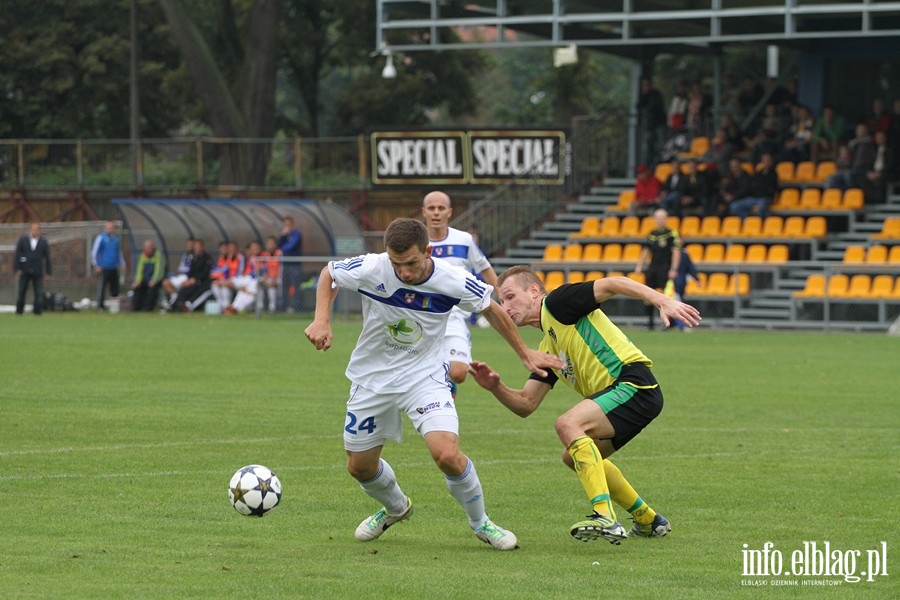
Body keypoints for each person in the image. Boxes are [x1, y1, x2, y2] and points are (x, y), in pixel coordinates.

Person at [303, 218, 562, 551]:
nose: (405, 272)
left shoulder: (451, 279)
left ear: (427, 251)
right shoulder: (372, 267)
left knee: (446, 454)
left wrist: (524, 352)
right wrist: (321, 318)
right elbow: (329, 273)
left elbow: (492, 308)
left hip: (424, 377)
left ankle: (482, 523)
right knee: (359, 466)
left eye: (411, 263)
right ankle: (396, 508)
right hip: (371, 379)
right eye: (397, 264)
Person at [468, 266, 701, 544]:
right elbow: (526, 404)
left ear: (533, 291)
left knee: (568, 424)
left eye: (509, 297)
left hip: (633, 382)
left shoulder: (557, 303)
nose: (505, 307)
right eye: (501, 301)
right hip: (630, 396)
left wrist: (662, 299)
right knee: (572, 457)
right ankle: (648, 519)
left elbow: (614, 283)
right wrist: (496, 387)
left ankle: (604, 515)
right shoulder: (547, 347)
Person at [421, 191, 499, 398]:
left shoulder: (464, 240)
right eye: (431, 208)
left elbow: (485, 269)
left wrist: (505, 298)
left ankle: (444, 377)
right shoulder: (416, 241)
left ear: (449, 212)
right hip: (421, 315)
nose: (436, 213)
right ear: (424, 212)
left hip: (454, 316)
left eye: (441, 208)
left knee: (459, 373)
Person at [635, 208, 681, 330]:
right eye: (658, 218)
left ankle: (668, 323)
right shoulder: (651, 234)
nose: (660, 220)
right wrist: (639, 265)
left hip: (665, 267)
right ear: (654, 219)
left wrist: (674, 268)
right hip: (653, 266)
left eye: (662, 218)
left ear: (666, 219)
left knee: (666, 294)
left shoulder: (672, 233)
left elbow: (676, 252)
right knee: (648, 293)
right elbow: (645, 251)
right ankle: (650, 322)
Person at [14, 222, 52, 315]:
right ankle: (19, 311)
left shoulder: (43, 242)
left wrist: (48, 272)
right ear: (30, 230)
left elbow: (47, 257)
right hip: (24, 270)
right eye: (33, 229)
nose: (35, 231)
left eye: (37, 229)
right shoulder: (23, 240)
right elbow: (17, 254)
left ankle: (37, 311)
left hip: (37, 271)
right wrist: (17, 268)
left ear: (39, 231)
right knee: (22, 291)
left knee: (38, 293)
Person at [729, 152, 778, 220]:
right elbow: (753, 184)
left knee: (762, 207)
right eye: (764, 161)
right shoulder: (758, 173)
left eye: (768, 161)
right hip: (754, 197)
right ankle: (747, 221)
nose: (766, 163)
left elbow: (768, 187)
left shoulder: (773, 174)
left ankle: (759, 223)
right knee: (734, 206)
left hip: (764, 197)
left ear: (771, 162)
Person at [171, 238, 214, 312]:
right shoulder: (193, 258)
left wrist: (195, 279)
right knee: (184, 289)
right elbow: (190, 271)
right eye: (196, 246)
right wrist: (189, 280)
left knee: (198, 290)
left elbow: (205, 272)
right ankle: (174, 305)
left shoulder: (207, 258)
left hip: (202, 281)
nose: (197, 248)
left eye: (198, 246)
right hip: (192, 280)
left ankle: (188, 306)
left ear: (202, 246)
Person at [91, 221, 125, 311]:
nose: (110, 230)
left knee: (115, 287)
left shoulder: (116, 239)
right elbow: (95, 252)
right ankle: (100, 306)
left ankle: (114, 308)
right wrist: (96, 265)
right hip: (104, 267)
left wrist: (122, 264)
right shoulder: (101, 238)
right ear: (106, 228)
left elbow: (118, 252)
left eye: (112, 228)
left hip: (114, 267)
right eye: (109, 228)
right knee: (102, 287)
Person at [224, 241, 262, 315]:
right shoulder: (250, 259)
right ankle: (233, 307)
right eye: (253, 248)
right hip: (249, 278)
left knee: (250, 291)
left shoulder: (264, 257)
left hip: (258, 279)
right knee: (241, 288)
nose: (254, 250)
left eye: (256, 248)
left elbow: (261, 271)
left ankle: (237, 308)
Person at [636, 78, 667, 167]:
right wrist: (644, 95)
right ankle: (648, 165)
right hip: (650, 125)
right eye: (644, 86)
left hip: (659, 123)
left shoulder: (656, 94)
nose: (646, 87)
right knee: (648, 147)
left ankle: (662, 163)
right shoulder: (644, 95)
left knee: (661, 146)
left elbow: (653, 106)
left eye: (647, 85)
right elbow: (638, 105)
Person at [131, 240, 165, 311]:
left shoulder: (158, 256)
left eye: (149, 247)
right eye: (146, 248)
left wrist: (154, 280)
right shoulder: (143, 256)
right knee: (137, 288)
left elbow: (159, 270)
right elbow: (139, 270)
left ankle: (147, 308)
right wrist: (137, 281)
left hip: (156, 280)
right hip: (145, 279)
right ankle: (136, 308)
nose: (148, 249)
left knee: (152, 290)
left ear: (153, 247)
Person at [278, 215, 303, 312]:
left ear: (292, 224)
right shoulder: (284, 235)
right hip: (285, 264)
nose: (286, 226)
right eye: (285, 224)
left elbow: (290, 246)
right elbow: (279, 244)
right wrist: (283, 236)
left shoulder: (296, 234)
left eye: (288, 224)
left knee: (296, 286)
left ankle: (297, 307)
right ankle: (283, 307)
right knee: (284, 286)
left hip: (294, 264)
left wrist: (283, 247)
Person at [161, 238, 195, 310]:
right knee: (165, 282)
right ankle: (173, 298)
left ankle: (172, 301)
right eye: (188, 244)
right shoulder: (185, 255)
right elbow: (181, 267)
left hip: (186, 277)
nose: (190, 246)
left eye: (191, 245)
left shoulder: (195, 256)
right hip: (180, 275)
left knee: (168, 283)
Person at [259, 236, 282, 313]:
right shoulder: (264, 254)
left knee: (272, 286)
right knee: (259, 283)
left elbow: (282, 268)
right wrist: (265, 277)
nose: (271, 246)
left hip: (279, 277)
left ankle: (272, 307)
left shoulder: (280, 253)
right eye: (269, 244)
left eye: (272, 244)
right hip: (269, 277)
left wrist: (276, 278)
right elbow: (263, 268)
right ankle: (260, 307)